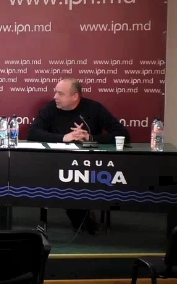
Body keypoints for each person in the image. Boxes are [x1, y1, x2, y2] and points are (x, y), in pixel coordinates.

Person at [28, 78, 131, 235]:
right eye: (55, 92)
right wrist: (64, 138)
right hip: (58, 163)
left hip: (90, 164)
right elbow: (33, 133)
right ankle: (83, 219)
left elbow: (123, 135)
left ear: (75, 96)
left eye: (60, 93)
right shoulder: (51, 108)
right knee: (66, 180)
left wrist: (90, 138)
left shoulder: (94, 108)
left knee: (81, 180)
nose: (55, 97)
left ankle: (83, 219)